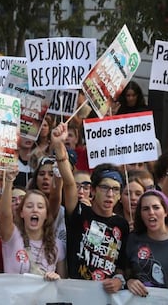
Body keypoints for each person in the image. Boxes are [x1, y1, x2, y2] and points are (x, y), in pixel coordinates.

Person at [51, 122, 129, 294]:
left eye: (115, 190)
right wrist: (58, 146)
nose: (110, 194)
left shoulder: (122, 225)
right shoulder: (79, 213)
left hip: (105, 298)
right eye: (105, 188)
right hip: (75, 294)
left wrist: (119, 280)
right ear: (93, 190)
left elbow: (121, 266)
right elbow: (70, 183)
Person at [0, 170, 65, 280]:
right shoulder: (12, 236)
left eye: (40, 207)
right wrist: (9, 180)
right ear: (21, 213)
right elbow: (5, 213)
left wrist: (56, 278)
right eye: (29, 206)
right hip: (14, 296)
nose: (35, 210)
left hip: (44, 297)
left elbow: (63, 283)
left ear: (46, 214)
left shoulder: (56, 245)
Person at [126, 190, 168, 295]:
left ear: (165, 211)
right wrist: (128, 282)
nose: (151, 212)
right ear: (140, 214)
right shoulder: (133, 239)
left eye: (156, 207)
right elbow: (121, 270)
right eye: (145, 209)